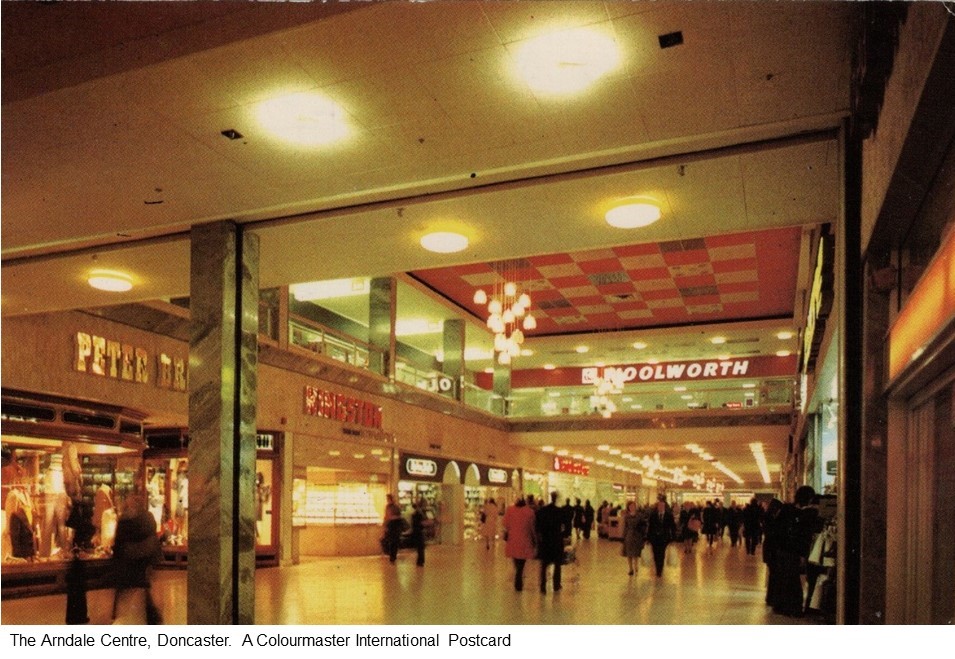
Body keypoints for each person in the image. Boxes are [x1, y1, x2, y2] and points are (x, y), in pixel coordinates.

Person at [111, 494, 162, 624]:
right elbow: (153, 534)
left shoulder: (124, 520)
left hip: (130, 560)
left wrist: (116, 556)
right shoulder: (148, 517)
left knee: (128, 591)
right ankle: (152, 617)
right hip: (145, 559)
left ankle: (121, 616)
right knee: (144, 588)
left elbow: (119, 542)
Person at [772, 486, 821, 617]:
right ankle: (794, 609)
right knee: (793, 580)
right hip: (791, 550)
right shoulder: (802, 514)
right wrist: (802, 554)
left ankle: (780, 606)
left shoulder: (787, 509)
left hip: (781, 549)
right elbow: (802, 536)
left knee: (784, 578)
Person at [503, 497, 537, 591]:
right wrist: (535, 540)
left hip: (513, 540)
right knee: (521, 562)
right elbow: (532, 528)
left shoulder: (510, 510)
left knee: (516, 560)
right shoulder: (529, 512)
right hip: (525, 541)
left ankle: (518, 578)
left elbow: (505, 525)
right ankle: (519, 579)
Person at [535, 492, 567, 593]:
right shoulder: (560, 512)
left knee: (544, 565)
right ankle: (556, 585)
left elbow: (538, 527)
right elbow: (564, 527)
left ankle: (543, 586)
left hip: (546, 541)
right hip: (556, 540)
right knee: (557, 564)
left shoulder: (543, 511)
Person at [646, 496, 676, 577]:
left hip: (664, 538)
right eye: (659, 506)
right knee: (655, 553)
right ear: (657, 507)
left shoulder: (669, 515)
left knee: (661, 553)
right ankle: (657, 567)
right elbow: (650, 527)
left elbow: (672, 527)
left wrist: (673, 538)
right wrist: (648, 538)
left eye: (662, 506)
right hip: (654, 538)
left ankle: (660, 570)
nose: (661, 507)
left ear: (665, 507)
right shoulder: (653, 515)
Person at [620, 501, 647, 576]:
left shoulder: (639, 516)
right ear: (628, 507)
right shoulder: (626, 516)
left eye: (633, 506)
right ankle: (630, 568)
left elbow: (644, 525)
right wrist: (623, 537)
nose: (632, 507)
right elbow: (625, 527)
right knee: (629, 553)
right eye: (630, 506)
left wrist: (644, 535)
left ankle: (636, 566)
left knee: (635, 553)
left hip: (637, 535)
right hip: (629, 536)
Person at [382, 493, 403, 563]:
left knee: (394, 541)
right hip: (391, 525)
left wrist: (391, 518)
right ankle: (392, 556)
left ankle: (393, 556)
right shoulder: (389, 507)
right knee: (392, 541)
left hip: (394, 526)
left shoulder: (395, 507)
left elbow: (399, 516)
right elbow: (386, 516)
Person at [410, 498, 426, 566]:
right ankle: (420, 561)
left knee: (420, 547)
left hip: (416, 531)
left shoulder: (416, 513)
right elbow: (420, 523)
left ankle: (420, 561)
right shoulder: (419, 513)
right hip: (418, 531)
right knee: (420, 547)